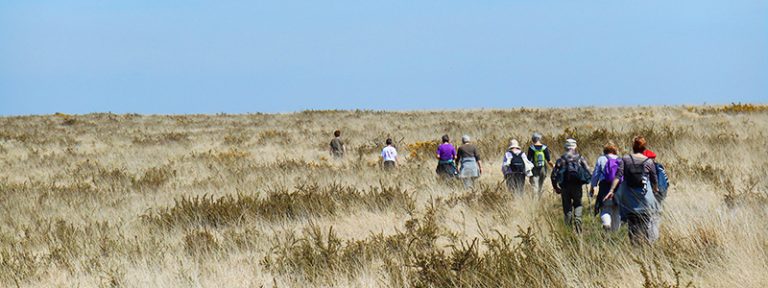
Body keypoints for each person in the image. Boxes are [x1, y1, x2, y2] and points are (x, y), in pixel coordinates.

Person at [605, 136, 660, 245]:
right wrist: (655, 190)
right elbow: (654, 181)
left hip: (629, 198)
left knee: (632, 223)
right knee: (646, 222)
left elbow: (618, 175)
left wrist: (611, 190)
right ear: (644, 148)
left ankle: (634, 245)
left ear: (633, 147)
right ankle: (646, 246)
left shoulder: (625, 159)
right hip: (645, 198)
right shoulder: (648, 162)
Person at [551, 139, 591, 233]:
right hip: (577, 186)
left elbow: (553, 176)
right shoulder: (580, 158)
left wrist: (556, 187)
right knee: (578, 204)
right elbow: (589, 171)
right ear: (575, 147)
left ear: (565, 147)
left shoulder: (561, 160)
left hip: (565, 187)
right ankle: (578, 222)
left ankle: (568, 231)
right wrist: (588, 181)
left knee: (567, 208)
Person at [589, 142, 621, 231]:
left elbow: (596, 174)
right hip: (618, 188)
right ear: (615, 150)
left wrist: (593, 186)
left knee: (605, 208)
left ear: (605, 150)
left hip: (604, 187)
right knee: (617, 210)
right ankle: (615, 234)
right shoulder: (620, 160)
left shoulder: (601, 159)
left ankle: (606, 224)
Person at [527, 133, 554, 198]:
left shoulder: (531, 148)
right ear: (539, 139)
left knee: (535, 187)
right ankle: (539, 200)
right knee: (540, 186)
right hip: (543, 169)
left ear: (533, 140)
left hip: (534, 169)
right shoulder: (544, 148)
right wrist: (554, 167)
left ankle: (534, 203)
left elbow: (528, 160)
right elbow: (549, 161)